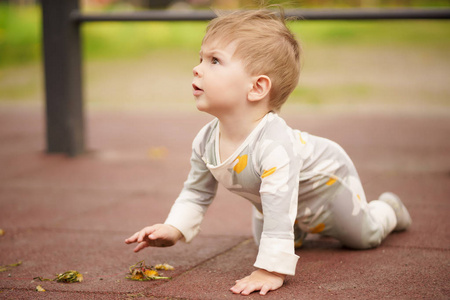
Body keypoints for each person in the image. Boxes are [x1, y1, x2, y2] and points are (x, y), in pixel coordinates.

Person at [125, 9, 412, 296]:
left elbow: (279, 202)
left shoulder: (274, 144)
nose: (197, 68)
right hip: (276, 201)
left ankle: (388, 209)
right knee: (270, 235)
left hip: (329, 185)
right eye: (201, 58)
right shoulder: (205, 141)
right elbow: (196, 193)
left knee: (363, 237)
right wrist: (173, 228)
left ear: (257, 87)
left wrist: (271, 270)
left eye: (214, 61)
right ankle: (296, 230)